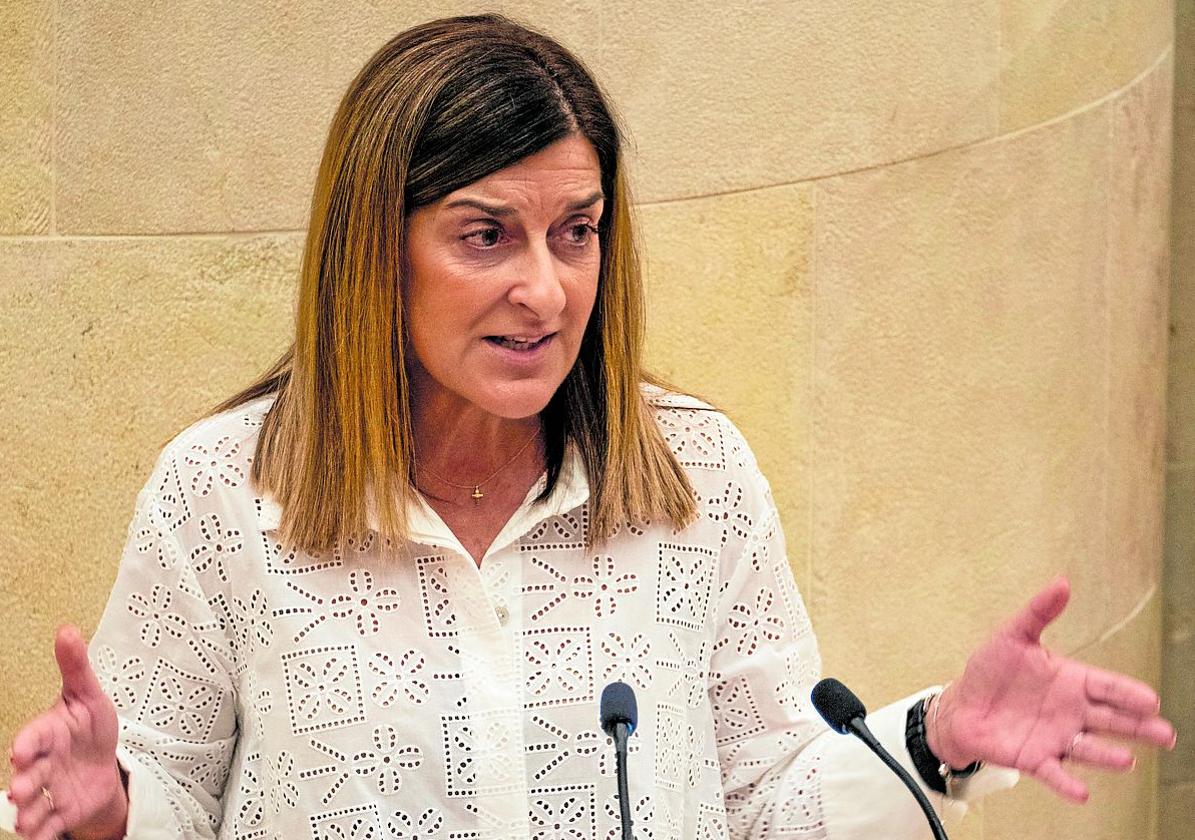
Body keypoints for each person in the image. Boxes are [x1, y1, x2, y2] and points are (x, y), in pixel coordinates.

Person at [4, 13, 1176, 840]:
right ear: (376, 250)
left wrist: (933, 742)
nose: (548, 289)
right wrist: (107, 810)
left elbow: (769, 801)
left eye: (577, 230)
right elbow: (163, 797)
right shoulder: (222, 493)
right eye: (485, 236)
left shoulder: (692, 472)